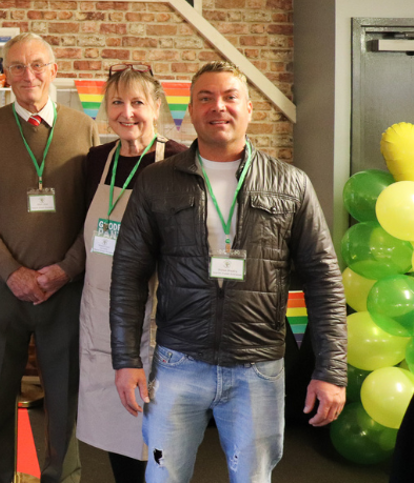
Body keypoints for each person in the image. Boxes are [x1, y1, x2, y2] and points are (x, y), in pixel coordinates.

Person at [110, 61, 348, 483]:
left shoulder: (291, 183)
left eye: (229, 97)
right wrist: (126, 358)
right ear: (191, 110)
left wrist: (330, 370)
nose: (218, 107)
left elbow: (323, 279)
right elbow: (128, 273)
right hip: (177, 362)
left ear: (249, 108)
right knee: (164, 476)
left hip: (258, 369)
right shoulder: (156, 181)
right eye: (205, 97)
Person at [0, 32, 99, 483]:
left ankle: (62, 477)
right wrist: (11, 272)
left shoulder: (83, 127)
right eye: (17, 66)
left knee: (64, 400)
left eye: (37, 64)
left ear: (54, 71)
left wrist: (66, 270)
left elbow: (93, 212)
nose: (28, 75)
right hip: (4, 290)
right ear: (6, 74)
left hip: (65, 290)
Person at [75, 64, 186, 483]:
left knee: (155, 433)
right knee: (113, 430)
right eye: (117, 102)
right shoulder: (96, 161)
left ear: (156, 107)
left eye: (138, 102)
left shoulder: (177, 162)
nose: (127, 112)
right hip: (100, 312)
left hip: (155, 317)